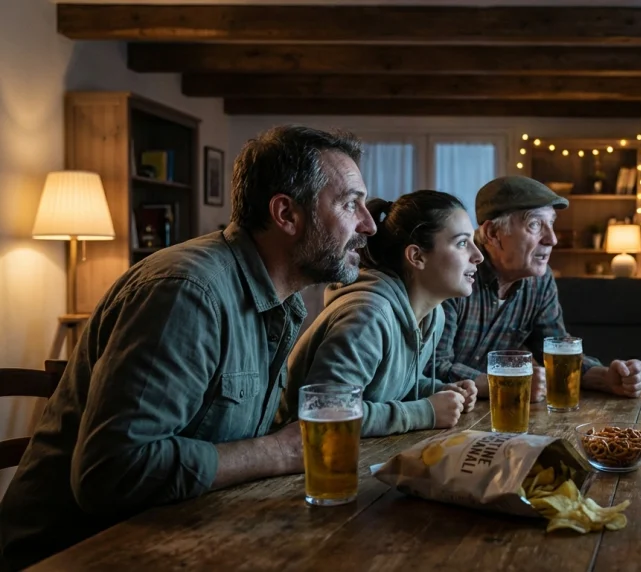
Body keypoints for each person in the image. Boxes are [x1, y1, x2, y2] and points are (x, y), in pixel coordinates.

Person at [0, 125, 377, 570]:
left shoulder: (281, 302)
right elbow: (113, 473)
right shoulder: (186, 293)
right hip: (76, 555)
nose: (369, 224)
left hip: (183, 537)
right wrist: (281, 451)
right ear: (286, 214)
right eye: (351, 203)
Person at [282, 190, 484, 437]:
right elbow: (326, 412)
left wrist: (436, 391)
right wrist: (424, 412)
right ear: (417, 256)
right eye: (462, 243)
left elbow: (387, 386)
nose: (479, 256)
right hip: (299, 464)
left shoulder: (433, 316)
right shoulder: (368, 316)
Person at [431, 175, 641, 403]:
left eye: (551, 223)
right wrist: (508, 383)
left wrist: (607, 378)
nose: (552, 239)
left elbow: (556, 354)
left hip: (491, 416)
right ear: (493, 234)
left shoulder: (539, 281)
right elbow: (431, 368)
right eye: (534, 225)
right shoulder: (454, 272)